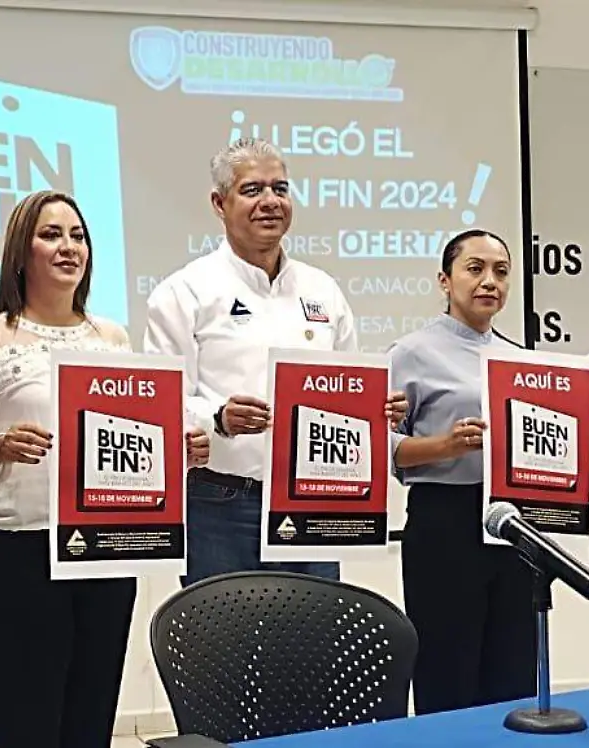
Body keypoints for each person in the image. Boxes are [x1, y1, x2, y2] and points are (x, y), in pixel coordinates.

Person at [0, 189, 211, 748]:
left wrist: (174, 450)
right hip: (18, 557)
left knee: (91, 725)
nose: (69, 247)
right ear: (21, 252)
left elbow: (126, 434)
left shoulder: (111, 338)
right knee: (29, 727)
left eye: (78, 236)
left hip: (104, 554)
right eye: (51, 235)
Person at [143, 137, 407, 587]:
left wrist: (377, 410)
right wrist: (218, 418)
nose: (270, 201)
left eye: (280, 189)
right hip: (219, 502)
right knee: (223, 632)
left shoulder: (323, 290)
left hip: (313, 502)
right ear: (219, 203)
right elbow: (162, 403)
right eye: (252, 190)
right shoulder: (184, 291)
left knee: (311, 631)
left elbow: (348, 389)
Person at [387, 229, 589, 716]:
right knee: (447, 667)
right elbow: (381, 447)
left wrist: (578, 438)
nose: (490, 281)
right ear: (445, 280)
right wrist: (443, 445)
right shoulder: (412, 352)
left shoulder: (521, 358)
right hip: (445, 519)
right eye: (475, 269)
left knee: (512, 669)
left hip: (513, 521)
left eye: (501, 272)